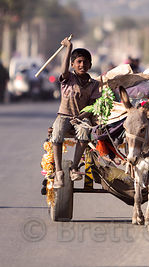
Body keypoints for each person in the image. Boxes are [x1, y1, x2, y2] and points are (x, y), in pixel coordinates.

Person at [50, 37, 100, 188]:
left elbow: (92, 106)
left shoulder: (94, 84)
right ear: (72, 64)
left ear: (90, 65)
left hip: (81, 117)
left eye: (85, 62)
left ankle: (74, 168)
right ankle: (59, 172)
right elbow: (63, 70)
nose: (82, 65)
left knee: (85, 133)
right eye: (78, 62)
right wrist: (68, 48)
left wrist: (82, 117)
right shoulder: (68, 78)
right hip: (64, 115)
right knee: (57, 133)